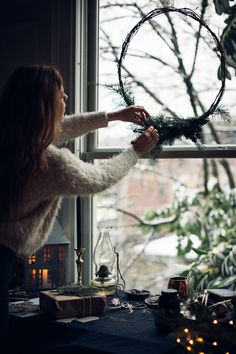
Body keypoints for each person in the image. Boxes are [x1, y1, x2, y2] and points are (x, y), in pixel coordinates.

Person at [0, 64, 159, 336]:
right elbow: (100, 177)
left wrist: (114, 116)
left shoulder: (12, 140)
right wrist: (135, 151)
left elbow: (60, 130)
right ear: (44, 107)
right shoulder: (50, 163)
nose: (66, 100)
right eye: (60, 96)